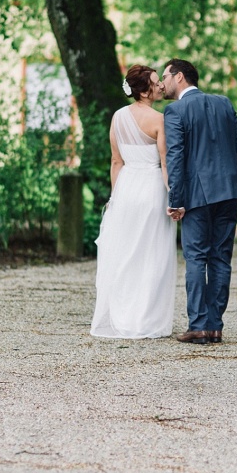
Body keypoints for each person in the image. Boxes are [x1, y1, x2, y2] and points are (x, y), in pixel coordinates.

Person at [162, 59, 237, 345]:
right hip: (229, 191)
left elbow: (175, 158)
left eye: (165, 76)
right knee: (220, 258)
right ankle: (215, 326)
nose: (162, 82)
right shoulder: (223, 103)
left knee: (196, 258)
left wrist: (176, 200)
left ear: (179, 77)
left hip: (197, 197)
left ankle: (198, 324)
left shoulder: (175, 110)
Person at [90, 65, 177, 339]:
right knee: (153, 256)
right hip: (152, 189)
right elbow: (165, 164)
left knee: (127, 256)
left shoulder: (117, 117)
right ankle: (145, 321)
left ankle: (122, 317)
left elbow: (116, 161)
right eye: (155, 82)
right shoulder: (158, 120)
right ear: (143, 90)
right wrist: (174, 197)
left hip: (126, 189)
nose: (160, 86)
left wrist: (115, 198)